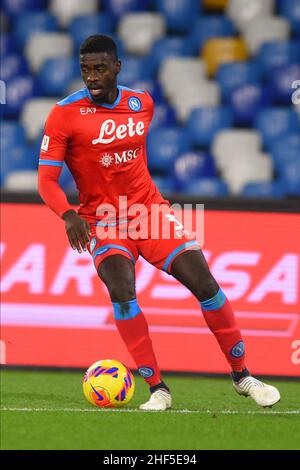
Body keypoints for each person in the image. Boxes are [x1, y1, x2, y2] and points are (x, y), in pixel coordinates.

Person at [38, 34, 280, 411]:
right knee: (122, 290)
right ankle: (158, 388)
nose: (92, 77)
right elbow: (46, 180)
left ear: (117, 67)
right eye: (85, 70)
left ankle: (242, 375)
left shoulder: (141, 104)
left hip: (150, 212)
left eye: (100, 68)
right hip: (103, 221)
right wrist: (68, 214)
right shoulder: (64, 114)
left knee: (206, 283)